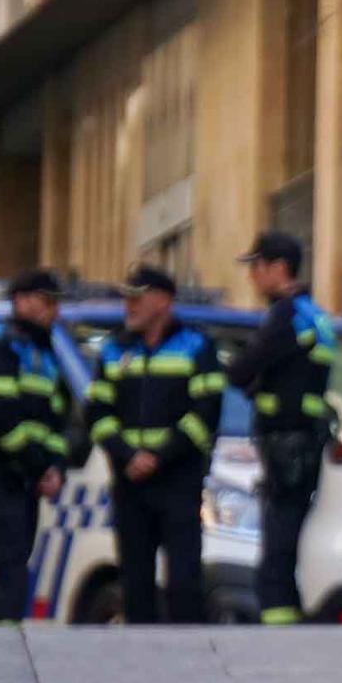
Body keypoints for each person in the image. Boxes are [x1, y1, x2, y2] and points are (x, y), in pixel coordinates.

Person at [85, 266, 224, 623]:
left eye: (137, 297)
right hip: (131, 481)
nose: (129, 305)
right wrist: (128, 455)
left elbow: (205, 414)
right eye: (127, 297)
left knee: (183, 579)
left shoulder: (197, 346)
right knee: (135, 581)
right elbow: (97, 413)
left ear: (162, 300)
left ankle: (189, 654)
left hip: (178, 479)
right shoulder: (114, 349)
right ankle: (141, 657)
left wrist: (160, 457)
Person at [228, 232, 335, 625]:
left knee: (277, 549)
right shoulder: (314, 314)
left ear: (277, 268)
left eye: (256, 267)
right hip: (306, 440)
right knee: (290, 537)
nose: (252, 276)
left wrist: (250, 381)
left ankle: (279, 630)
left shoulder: (285, 316)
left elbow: (243, 369)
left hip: (286, 442)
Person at [0, 270, 68, 623]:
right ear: (20, 300)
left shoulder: (45, 353)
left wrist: (54, 466)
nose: (53, 310)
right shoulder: (1, 344)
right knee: (8, 567)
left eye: (56, 303)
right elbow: (1, 418)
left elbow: (55, 421)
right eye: (46, 301)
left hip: (24, 480)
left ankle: (7, 646)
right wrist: (40, 467)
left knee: (15, 564)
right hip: (1, 473)